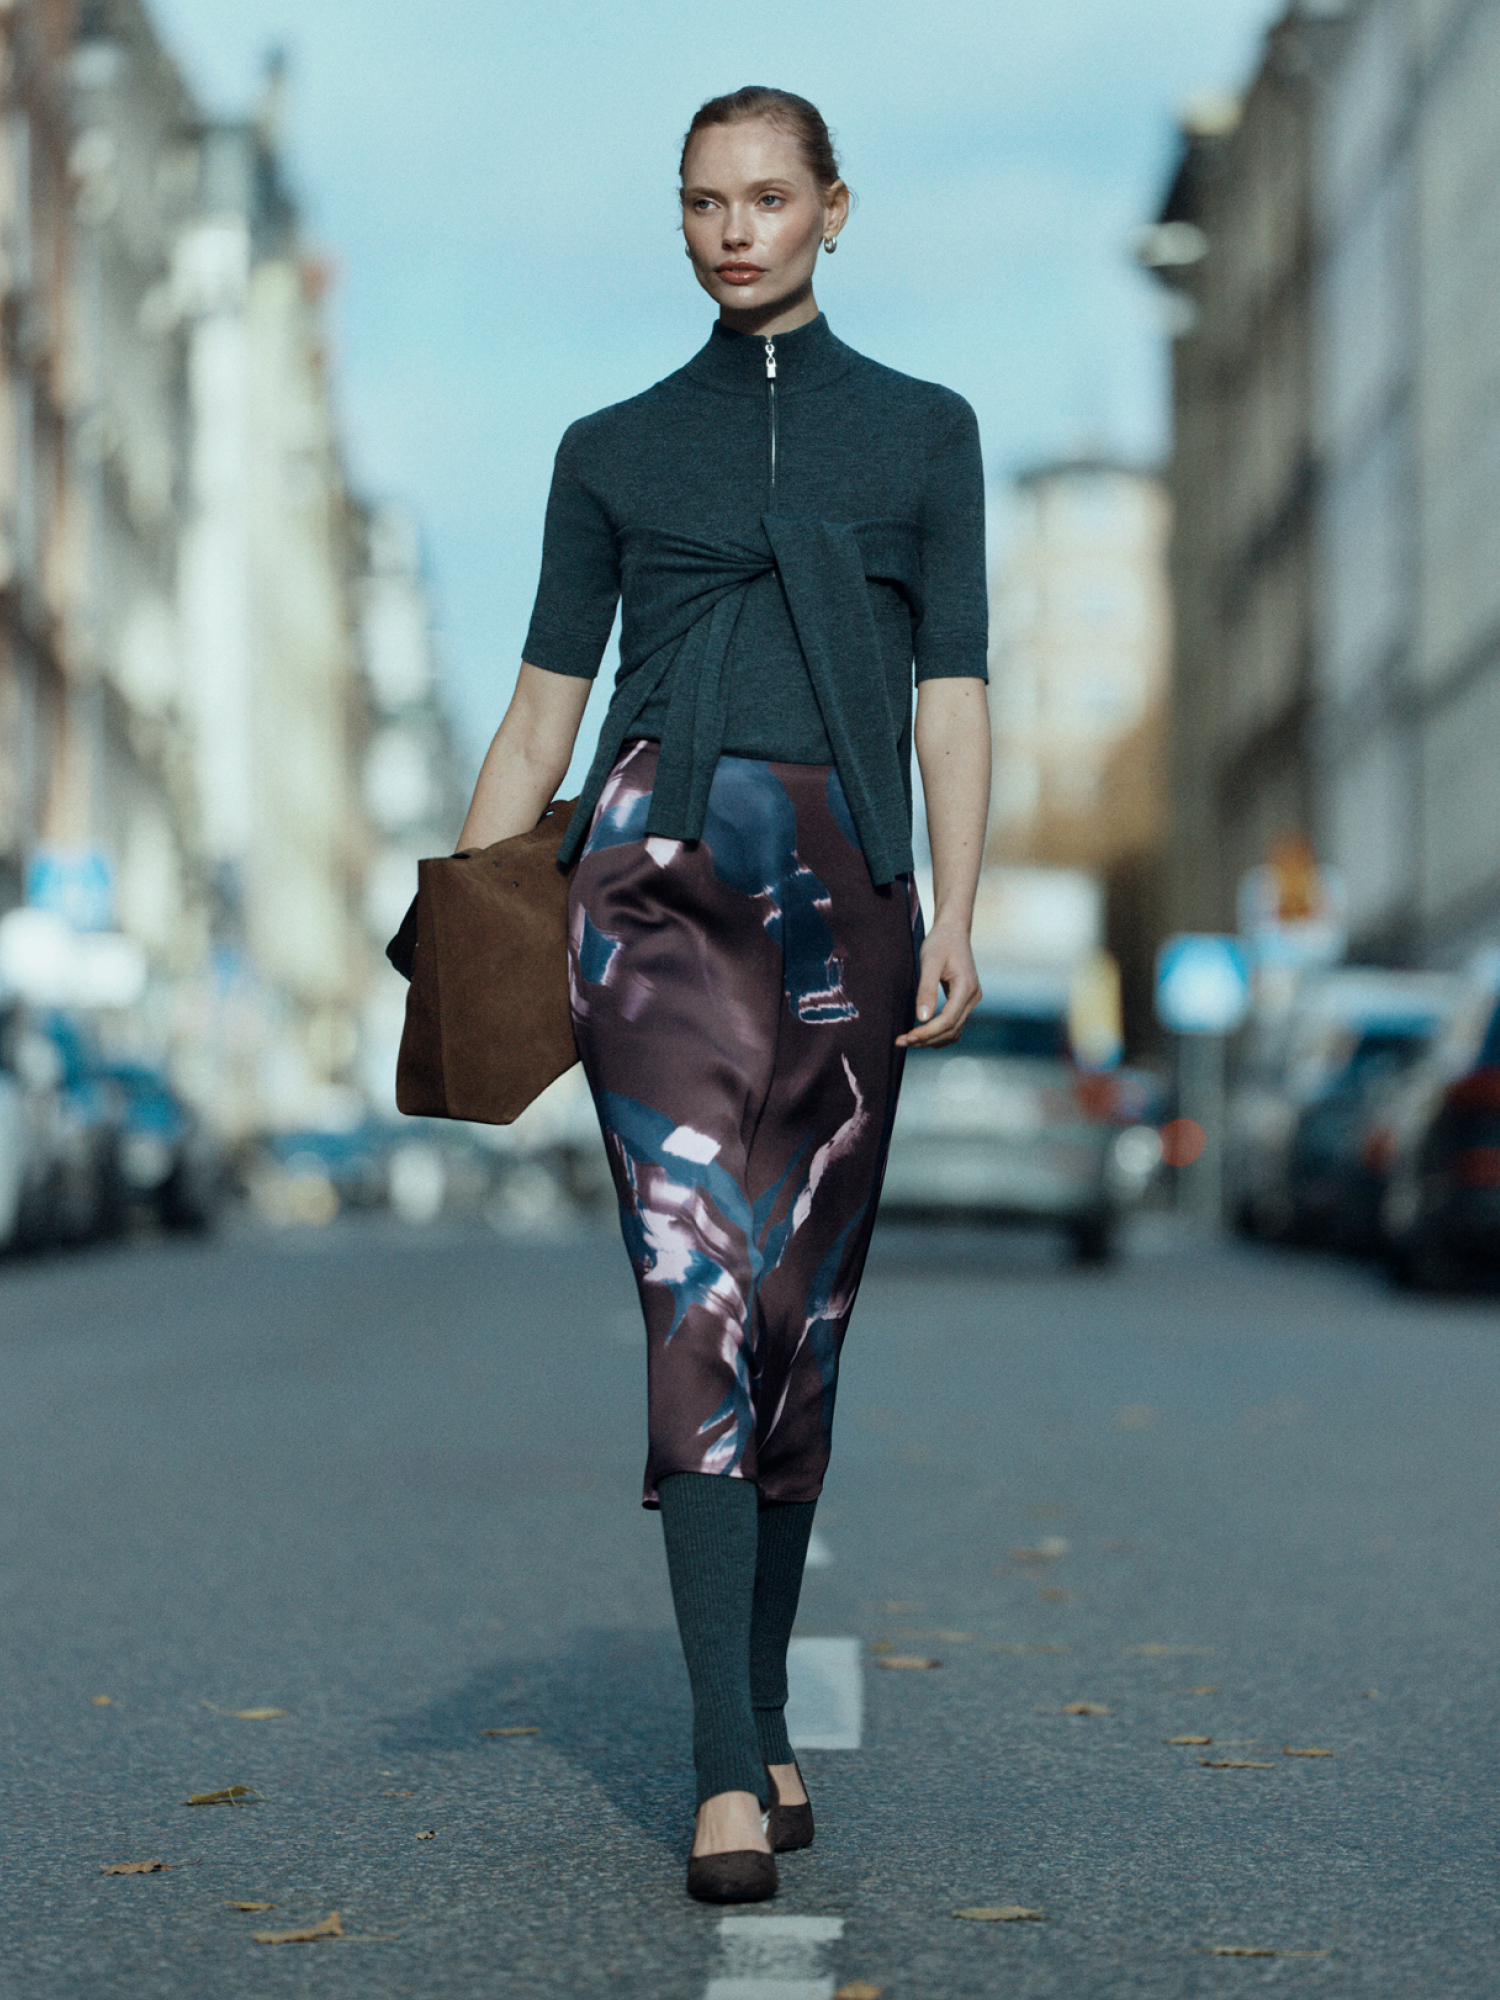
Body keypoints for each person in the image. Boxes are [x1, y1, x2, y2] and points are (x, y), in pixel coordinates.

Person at [455, 85, 990, 1902]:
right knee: (696, 1290)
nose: (734, 230)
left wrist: (957, 908)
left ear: (834, 208)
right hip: (656, 891)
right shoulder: (609, 449)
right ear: (679, 220)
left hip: (851, 897)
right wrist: (472, 926)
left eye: (767, 197)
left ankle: (759, 1709)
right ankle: (718, 1767)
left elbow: (953, 693)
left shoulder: (926, 432)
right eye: (703, 202)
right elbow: (541, 712)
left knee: (798, 1315)